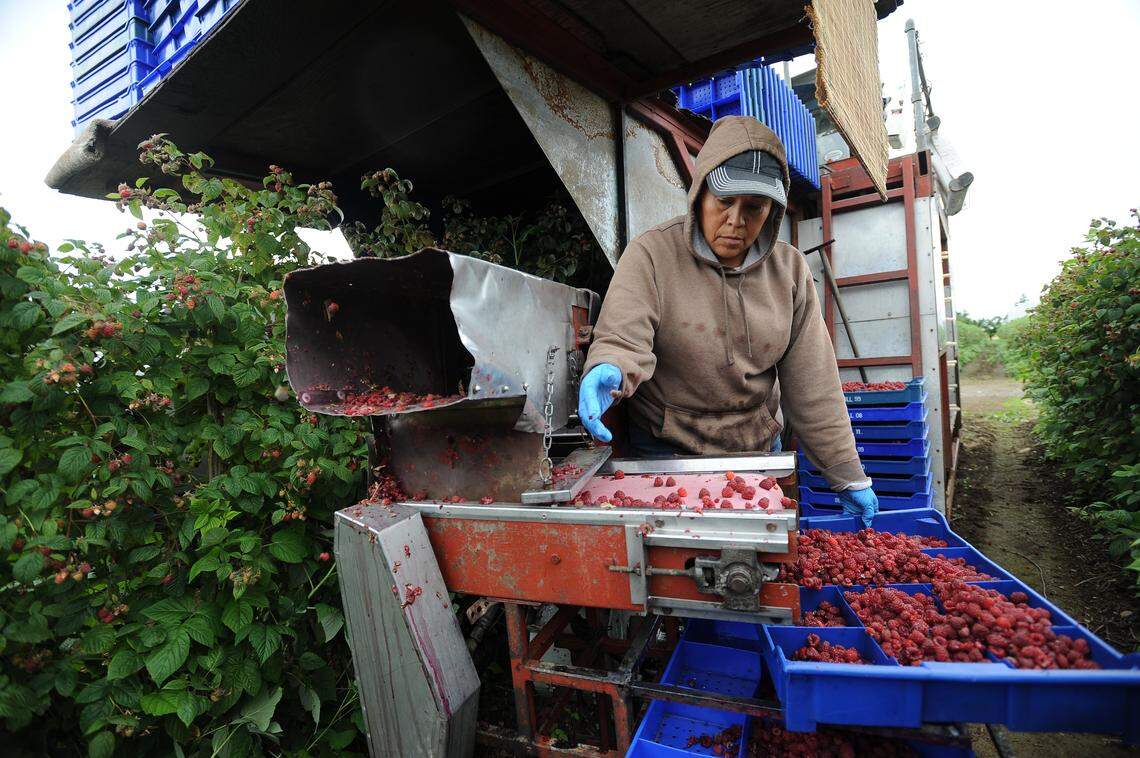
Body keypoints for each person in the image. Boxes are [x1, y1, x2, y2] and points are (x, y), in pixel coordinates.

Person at [577, 115, 878, 526]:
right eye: (724, 202)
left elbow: (814, 385)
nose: (736, 221)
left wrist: (847, 474)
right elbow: (624, 336)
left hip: (754, 449)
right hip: (666, 452)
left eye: (754, 208)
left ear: (772, 209)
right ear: (700, 193)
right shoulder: (652, 255)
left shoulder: (789, 271)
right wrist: (609, 366)